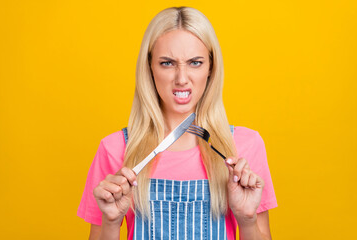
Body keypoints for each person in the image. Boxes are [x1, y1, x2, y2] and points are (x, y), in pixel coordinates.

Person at [77, 6, 277, 240]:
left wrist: (247, 221)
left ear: (211, 68)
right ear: (149, 67)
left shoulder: (245, 148)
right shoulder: (115, 150)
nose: (182, 79)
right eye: (167, 63)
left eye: (195, 62)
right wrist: (111, 222)